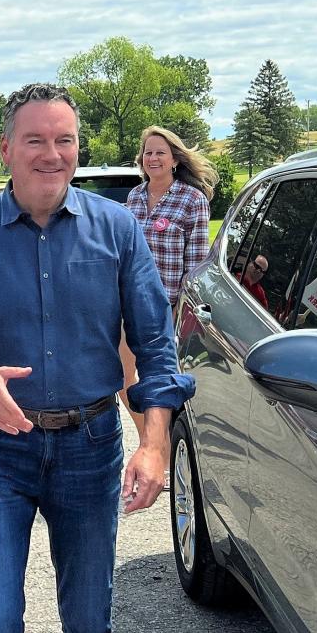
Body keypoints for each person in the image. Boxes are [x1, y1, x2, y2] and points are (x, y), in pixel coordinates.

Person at [0, 83, 193, 633]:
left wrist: (154, 444)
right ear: (6, 149)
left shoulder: (117, 229)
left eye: (64, 139)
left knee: (90, 626)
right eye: (35, 139)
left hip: (89, 450)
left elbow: (157, 346)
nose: (51, 153)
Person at [119, 126, 214, 435]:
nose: (153, 158)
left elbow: (196, 266)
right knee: (121, 380)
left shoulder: (192, 200)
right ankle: (154, 440)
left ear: (175, 160)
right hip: (127, 306)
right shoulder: (134, 197)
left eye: (160, 152)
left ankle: (161, 447)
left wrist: (179, 314)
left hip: (166, 309)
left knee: (161, 384)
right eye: (148, 152)